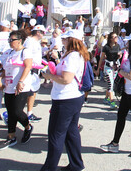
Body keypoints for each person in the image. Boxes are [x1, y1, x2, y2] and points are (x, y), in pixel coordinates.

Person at [40, 28, 88, 171]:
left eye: (65, 38)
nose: (62, 40)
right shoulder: (74, 55)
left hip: (66, 99)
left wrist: (49, 77)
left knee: (56, 134)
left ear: (72, 41)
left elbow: (66, 79)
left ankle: (50, 168)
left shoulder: (73, 56)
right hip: (72, 97)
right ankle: (76, 164)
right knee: (70, 133)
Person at [101, 34, 131, 158]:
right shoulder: (130, 56)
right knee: (121, 115)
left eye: (128, 43)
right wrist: (119, 67)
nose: (126, 44)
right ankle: (115, 143)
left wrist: (120, 72)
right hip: (128, 91)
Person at [0, 30, 34, 150]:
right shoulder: (9, 52)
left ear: (19, 41)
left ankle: (28, 127)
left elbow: (28, 66)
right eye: (9, 40)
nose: (10, 42)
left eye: (12, 40)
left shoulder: (25, 51)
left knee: (17, 111)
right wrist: (0, 78)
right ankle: (11, 136)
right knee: (10, 112)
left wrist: (21, 81)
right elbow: (5, 68)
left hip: (21, 86)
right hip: (9, 86)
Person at [96, 32, 121, 109]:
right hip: (108, 67)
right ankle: (112, 101)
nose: (115, 38)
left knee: (111, 83)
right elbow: (101, 58)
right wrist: (98, 68)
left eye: (116, 37)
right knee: (111, 84)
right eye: (113, 37)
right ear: (110, 38)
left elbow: (119, 55)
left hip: (115, 66)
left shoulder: (118, 46)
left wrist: (120, 56)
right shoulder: (106, 47)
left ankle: (106, 98)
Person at [25, 26, 44, 123]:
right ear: (38, 32)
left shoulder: (36, 42)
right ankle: (28, 113)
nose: (44, 34)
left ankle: (29, 112)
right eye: (42, 32)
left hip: (36, 69)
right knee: (29, 92)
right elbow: (27, 55)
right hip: (31, 70)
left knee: (33, 91)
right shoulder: (29, 41)